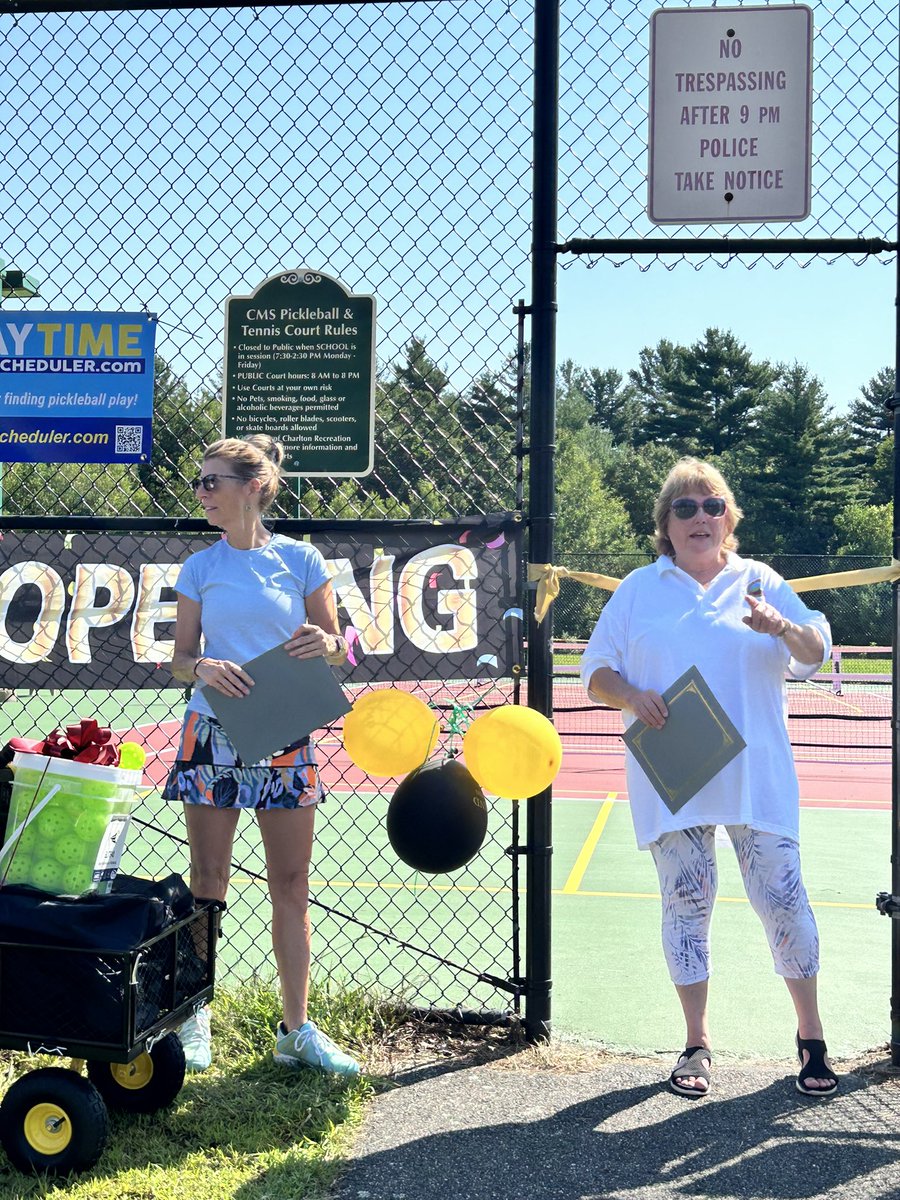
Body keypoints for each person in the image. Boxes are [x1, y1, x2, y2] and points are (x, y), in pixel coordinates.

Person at [580, 457, 838, 1099]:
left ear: (730, 519)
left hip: (758, 777)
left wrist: (780, 626)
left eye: (713, 505)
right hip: (676, 776)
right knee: (686, 904)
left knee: (783, 900)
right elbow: (595, 672)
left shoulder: (760, 580)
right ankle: (696, 1042)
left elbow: (818, 650)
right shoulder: (639, 588)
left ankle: (811, 1036)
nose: (700, 517)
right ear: (664, 525)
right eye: (685, 508)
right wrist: (633, 697)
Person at [163, 434, 360, 1077]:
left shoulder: (302, 560)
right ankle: (195, 1017)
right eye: (199, 482)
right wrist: (205, 666)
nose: (201, 493)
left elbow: (338, 647)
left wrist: (323, 642)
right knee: (207, 884)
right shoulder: (200, 567)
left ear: (253, 487)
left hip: (284, 733)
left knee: (292, 884)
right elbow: (178, 662)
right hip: (212, 730)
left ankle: (296, 1031)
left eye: (212, 481)